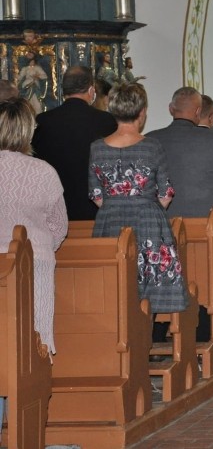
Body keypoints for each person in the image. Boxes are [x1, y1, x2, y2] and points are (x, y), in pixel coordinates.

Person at [88, 83, 188, 344]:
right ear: (142, 112)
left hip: (109, 221)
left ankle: (118, 344)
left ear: (113, 110)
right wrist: (145, 207)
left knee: (114, 286)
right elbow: (166, 192)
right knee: (147, 290)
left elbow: (96, 195)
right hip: (147, 222)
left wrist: (117, 205)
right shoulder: (152, 147)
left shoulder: (97, 147)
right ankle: (144, 345)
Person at [0, 97, 68, 424]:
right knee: (32, 345)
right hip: (35, 265)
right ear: (28, 130)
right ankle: (28, 426)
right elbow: (58, 226)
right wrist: (40, 249)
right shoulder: (44, 172)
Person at [147, 87, 213, 232]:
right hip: (208, 221)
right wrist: (211, 190)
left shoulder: (151, 139)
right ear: (198, 112)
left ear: (171, 109)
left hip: (166, 222)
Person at [31, 66, 118, 220]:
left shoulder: (43, 121)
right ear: (91, 91)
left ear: (63, 91)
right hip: (95, 209)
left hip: (54, 210)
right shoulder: (106, 121)